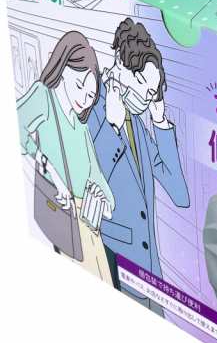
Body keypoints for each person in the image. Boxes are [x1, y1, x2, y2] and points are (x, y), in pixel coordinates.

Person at [88, 18, 190, 316]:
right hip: (112, 265)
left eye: (152, 92)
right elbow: (90, 180)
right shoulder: (91, 109)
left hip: (150, 274)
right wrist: (112, 127)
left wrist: (160, 122)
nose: (147, 96)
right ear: (120, 63)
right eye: (144, 84)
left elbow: (180, 194)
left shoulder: (139, 126)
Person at [17, 31, 115, 281]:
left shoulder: (81, 127)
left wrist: (106, 202)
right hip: (65, 212)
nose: (84, 99)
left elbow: (95, 172)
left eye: (90, 96)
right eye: (79, 86)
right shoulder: (43, 96)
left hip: (89, 221)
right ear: (62, 69)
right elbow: (17, 126)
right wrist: (49, 169)